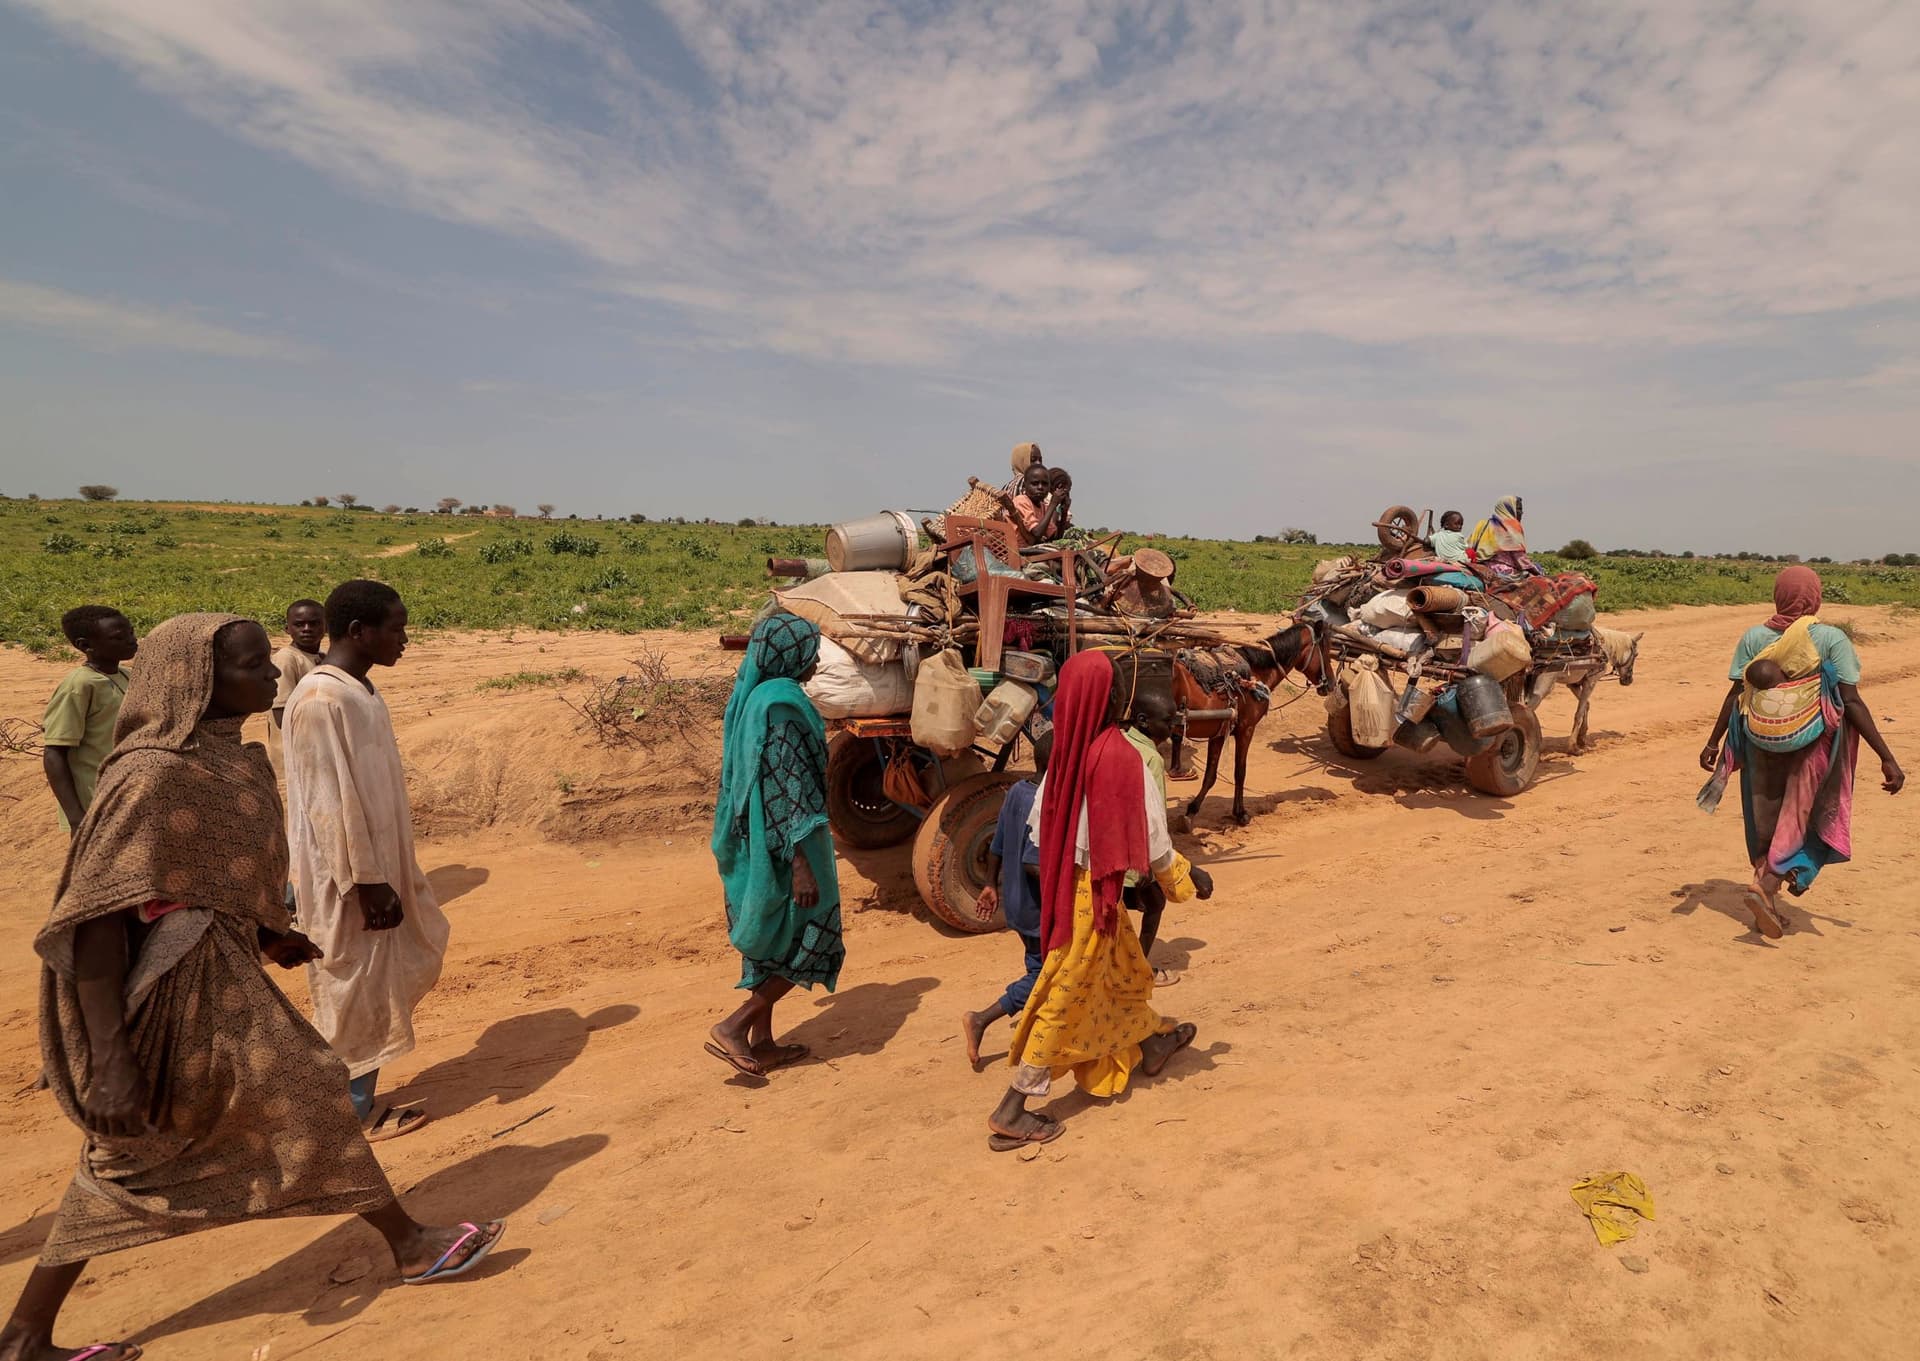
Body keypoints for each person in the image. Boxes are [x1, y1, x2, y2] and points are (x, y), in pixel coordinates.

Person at [0, 614, 502, 1361]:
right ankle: (409, 1244)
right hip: (171, 989)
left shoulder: (230, 761)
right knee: (280, 1095)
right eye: (250, 665)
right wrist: (110, 1055)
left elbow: (207, 873)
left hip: (223, 966)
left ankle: (23, 1336)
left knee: (172, 1141)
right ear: (194, 679)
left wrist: (267, 933)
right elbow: (99, 919)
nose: (270, 676)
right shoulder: (150, 773)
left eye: (266, 662)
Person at [986, 651, 1213, 1149]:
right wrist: (1187, 877)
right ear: (1110, 697)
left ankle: (1152, 1044)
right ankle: (1013, 1107)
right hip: (1096, 899)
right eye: (1114, 688)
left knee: (1126, 974)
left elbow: (1041, 831)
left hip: (1072, 891)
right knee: (1065, 995)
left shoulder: (1064, 753)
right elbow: (1154, 840)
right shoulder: (1119, 756)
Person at [283, 581, 450, 1142]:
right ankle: (348, 1115)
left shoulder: (361, 691)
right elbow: (329, 805)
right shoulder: (319, 700)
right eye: (396, 628)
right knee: (350, 990)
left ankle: (355, 1099)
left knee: (378, 980)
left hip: (379, 867)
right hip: (349, 880)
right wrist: (366, 882)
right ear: (359, 631)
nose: (404, 639)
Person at [1699, 566, 1904, 939]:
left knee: (1764, 815)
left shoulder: (1754, 637)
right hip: (1813, 743)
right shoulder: (1829, 638)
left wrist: (1714, 743)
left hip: (1758, 738)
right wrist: (1886, 756)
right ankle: (1771, 885)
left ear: (1779, 595)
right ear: (1814, 597)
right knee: (1801, 814)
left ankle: (1767, 895)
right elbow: (1851, 701)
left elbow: (1735, 695)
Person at [706, 613, 844, 1078]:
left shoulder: (754, 696)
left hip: (756, 840)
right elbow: (787, 788)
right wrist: (801, 864)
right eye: (810, 649)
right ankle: (734, 1025)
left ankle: (762, 1042)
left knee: (770, 945)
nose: (816, 658)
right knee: (810, 939)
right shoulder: (783, 706)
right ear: (791, 655)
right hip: (789, 845)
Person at [959, 738, 1049, 1070]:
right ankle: (982, 1018)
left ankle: (1036, 1019)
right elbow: (1034, 864)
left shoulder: (1017, 791)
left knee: (1037, 964)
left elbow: (998, 841)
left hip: (1014, 899)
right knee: (1046, 974)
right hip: (1036, 907)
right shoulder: (1042, 802)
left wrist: (989, 884)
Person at [41, 607, 139, 835]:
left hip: (127, 793)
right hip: (95, 802)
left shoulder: (127, 675)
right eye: (118, 638)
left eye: (132, 633)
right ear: (85, 646)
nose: (131, 640)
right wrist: (76, 817)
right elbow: (54, 752)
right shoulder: (79, 686)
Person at [1122, 688, 1180, 986]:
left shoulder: (1120, 743)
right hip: (1136, 857)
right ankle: (1139, 970)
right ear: (1144, 720)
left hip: (1108, 851)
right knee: (1155, 903)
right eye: (1167, 722)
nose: (1172, 728)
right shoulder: (1152, 759)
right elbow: (1152, 816)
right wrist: (1149, 864)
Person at [270, 598, 326, 731]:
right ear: (287, 629)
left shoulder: (323, 657)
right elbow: (282, 717)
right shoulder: (286, 659)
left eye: (314, 624)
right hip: (295, 748)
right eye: (299, 624)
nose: (307, 629)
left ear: (326, 627)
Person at [1465, 496, 1538, 575]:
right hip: (1505, 571)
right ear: (1509, 509)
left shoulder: (1482, 524)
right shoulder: (1512, 526)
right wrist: (1537, 572)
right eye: (1519, 509)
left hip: (1481, 568)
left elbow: (1468, 546)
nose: (1521, 512)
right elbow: (1520, 558)